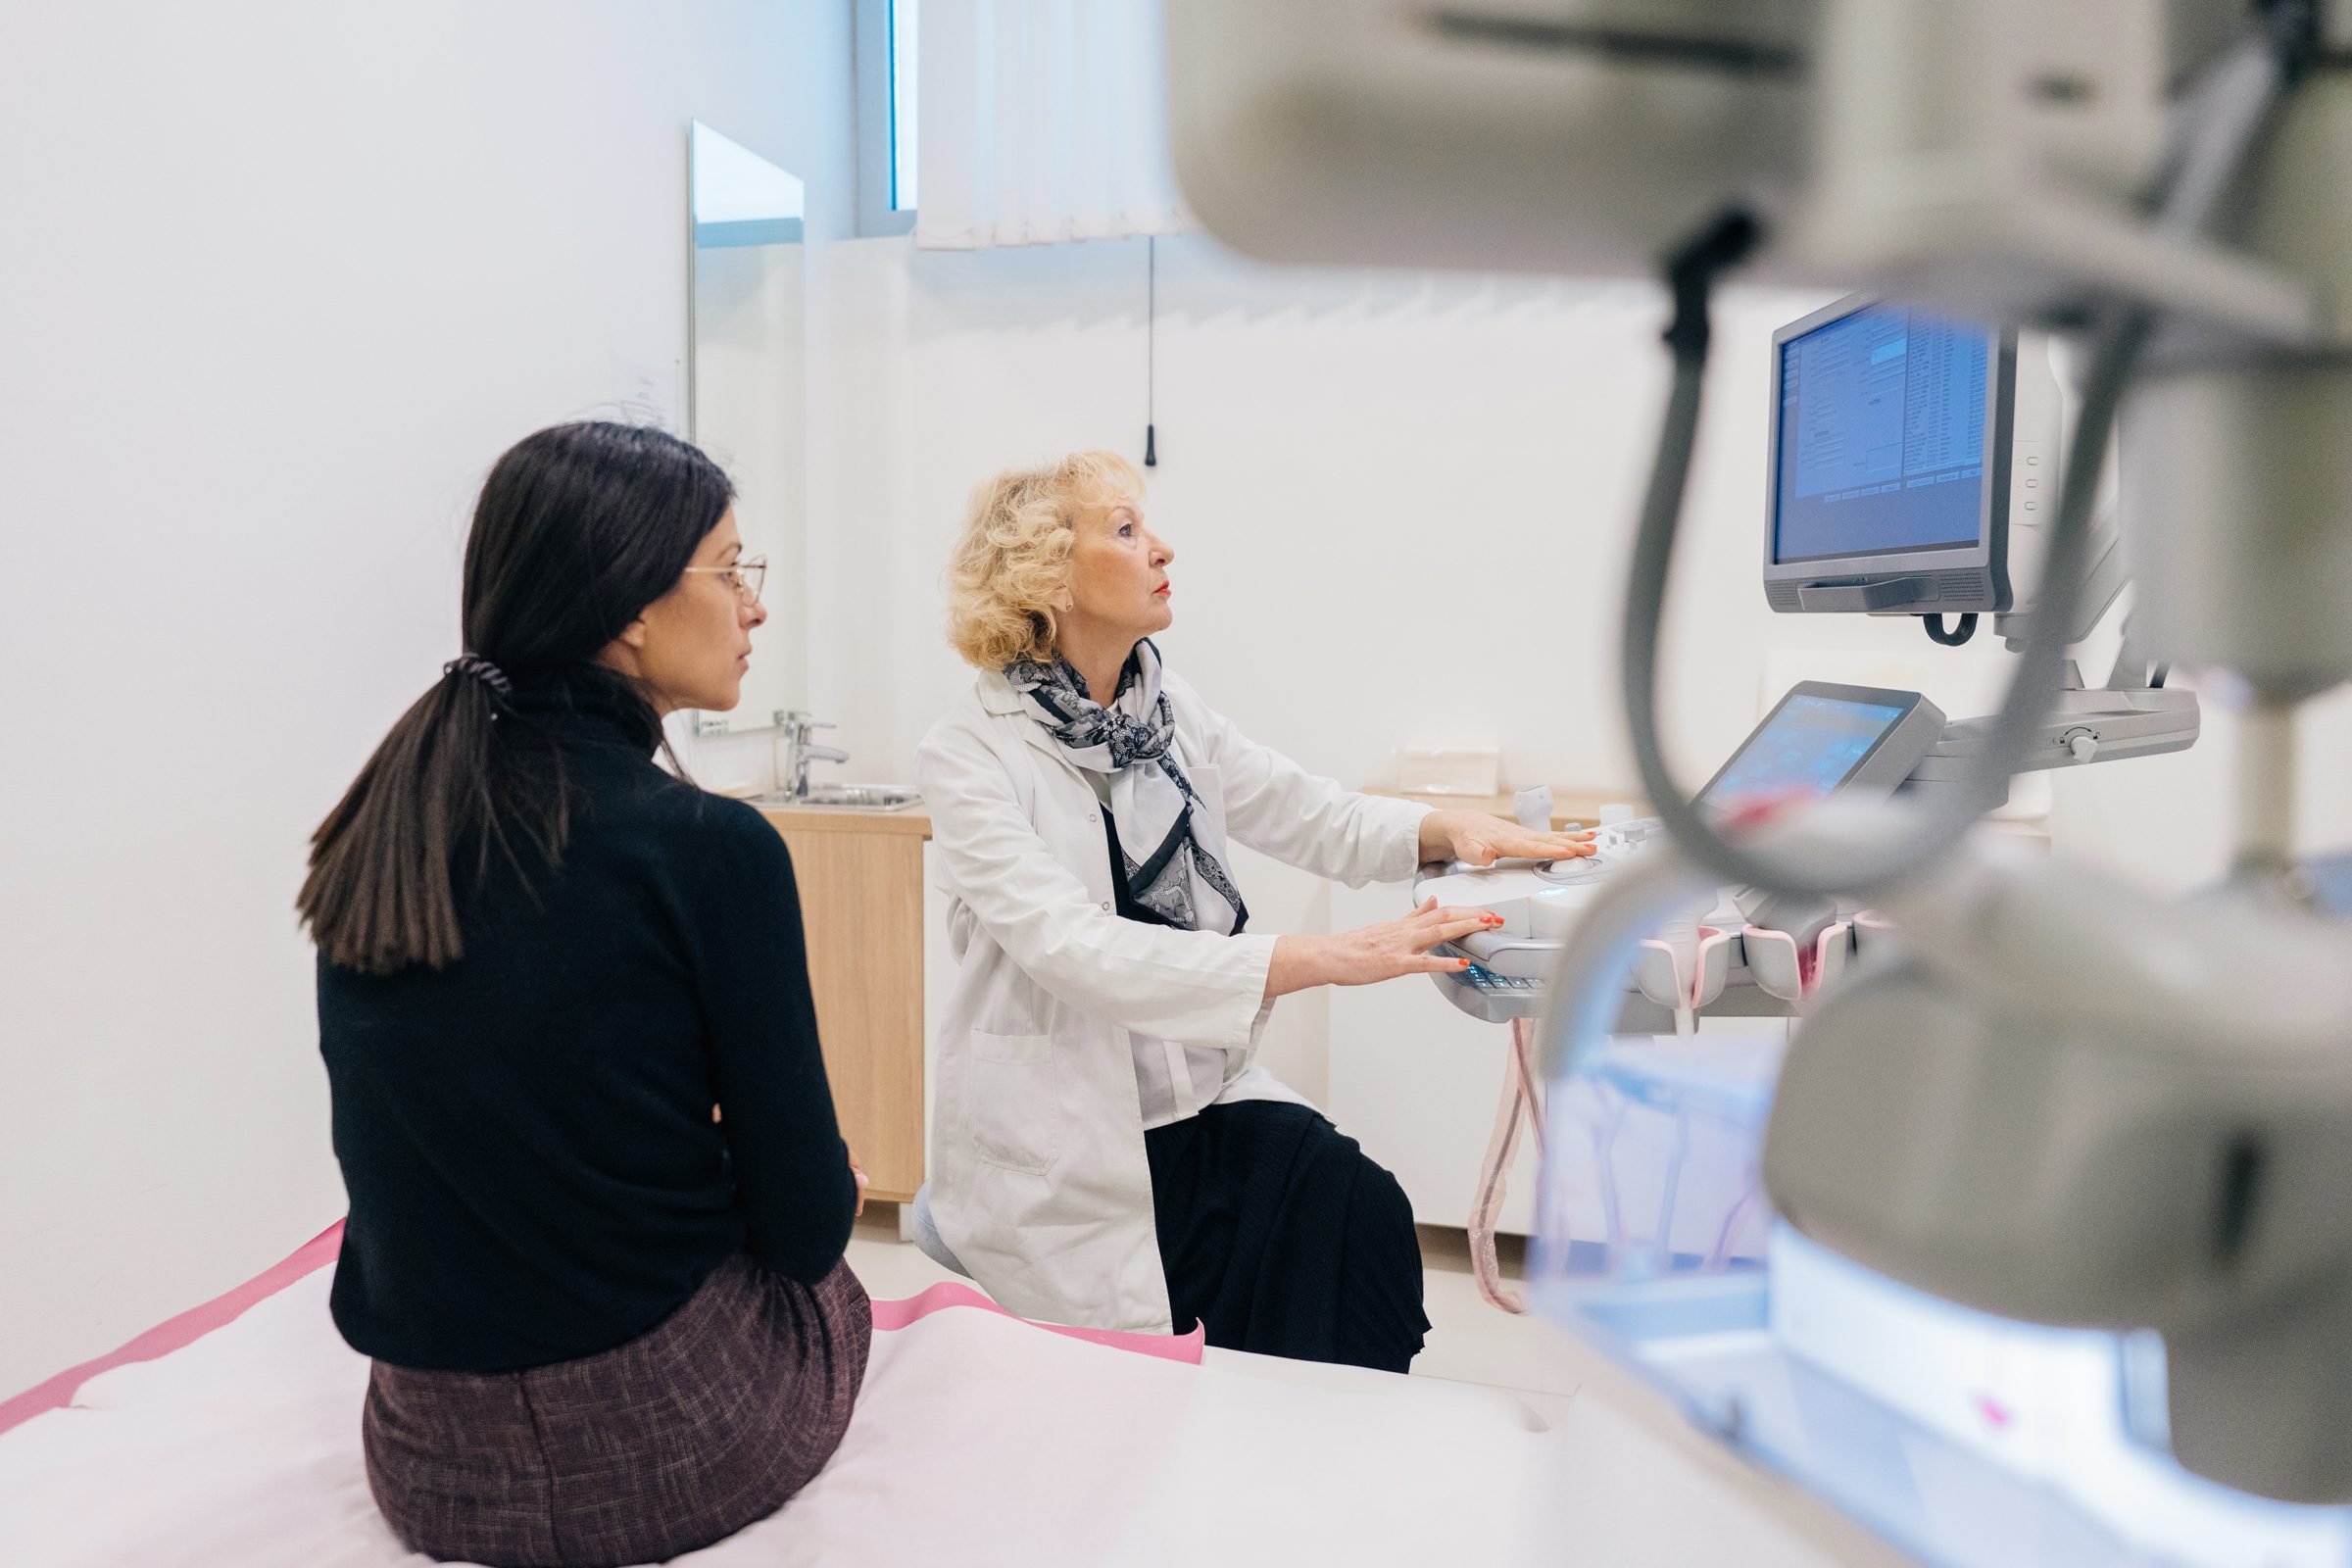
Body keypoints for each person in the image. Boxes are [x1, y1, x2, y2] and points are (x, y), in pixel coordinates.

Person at [300, 421, 866, 1568]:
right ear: (631, 612)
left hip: (426, 1458)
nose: (754, 607)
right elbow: (805, 1228)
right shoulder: (708, 845)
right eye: (731, 569)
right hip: (670, 1440)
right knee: (841, 1268)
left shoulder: (384, 827)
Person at [916, 450, 1591, 1373]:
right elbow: (1074, 949)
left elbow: (1306, 809)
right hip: (1064, 1145)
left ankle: (1312, 1466)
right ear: (1049, 578)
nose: (1162, 548)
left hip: (1194, 1097)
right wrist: (1321, 957)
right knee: (1169, 1363)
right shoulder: (968, 754)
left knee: (1357, 1215)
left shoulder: (1164, 709)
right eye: (1125, 530)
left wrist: (1456, 827)